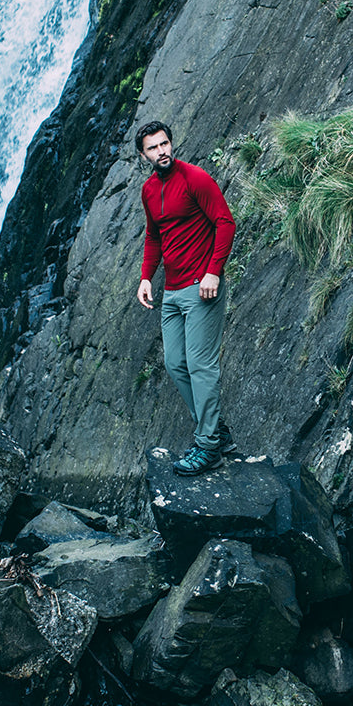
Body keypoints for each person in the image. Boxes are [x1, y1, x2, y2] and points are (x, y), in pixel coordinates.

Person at [135, 120, 236, 476]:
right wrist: (146, 277)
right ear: (143, 154)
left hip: (201, 286)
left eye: (165, 144)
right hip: (172, 290)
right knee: (175, 363)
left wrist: (213, 271)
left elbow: (225, 222)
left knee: (200, 365)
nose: (161, 151)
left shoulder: (195, 178)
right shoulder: (149, 190)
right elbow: (154, 237)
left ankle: (208, 445)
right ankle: (217, 431)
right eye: (153, 148)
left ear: (171, 144)